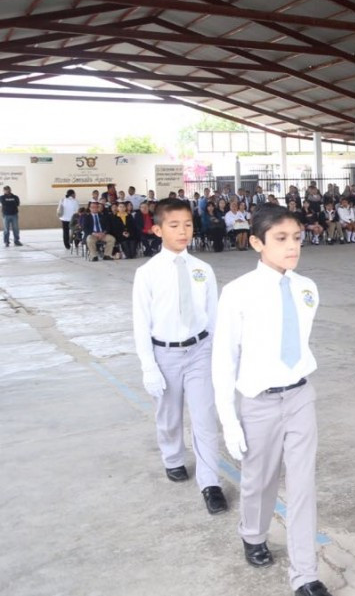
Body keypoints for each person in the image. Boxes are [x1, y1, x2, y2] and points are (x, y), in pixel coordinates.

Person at [212, 205, 332, 596]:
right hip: (258, 403)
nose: (292, 246)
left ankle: (305, 574)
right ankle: (252, 533)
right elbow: (223, 359)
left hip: (300, 396)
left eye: (297, 237)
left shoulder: (308, 288)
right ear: (256, 243)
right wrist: (229, 421)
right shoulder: (238, 293)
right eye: (281, 239)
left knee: (302, 486)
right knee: (258, 481)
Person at [131, 198, 227, 515]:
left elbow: (213, 318)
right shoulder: (148, 273)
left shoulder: (203, 270)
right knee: (169, 417)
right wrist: (149, 368)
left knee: (205, 419)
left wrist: (219, 356)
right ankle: (172, 457)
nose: (183, 231)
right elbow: (141, 323)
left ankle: (210, 483)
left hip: (199, 351)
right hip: (165, 354)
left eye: (187, 224)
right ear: (158, 229)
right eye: (174, 226)